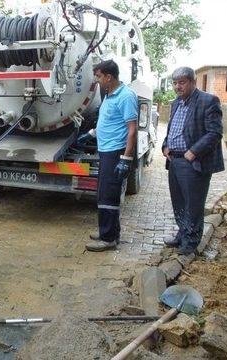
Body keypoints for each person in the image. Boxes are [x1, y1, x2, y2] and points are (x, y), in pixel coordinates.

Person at [162, 67, 224, 255]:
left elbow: (215, 132)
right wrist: (165, 145)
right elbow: (173, 129)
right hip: (174, 160)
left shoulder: (208, 101)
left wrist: (193, 152)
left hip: (193, 162)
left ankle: (192, 241)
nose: (177, 87)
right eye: (175, 83)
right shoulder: (175, 103)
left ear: (192, 82)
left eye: (182, 82)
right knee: (179, 201)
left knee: (193, 203)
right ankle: (183, 233)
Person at [80, 60, 138, 252]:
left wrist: (126, 159)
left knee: (108, 195)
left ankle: (108, 239)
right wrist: (91, 134)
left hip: (116, 151)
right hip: (106, 150)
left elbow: (132, 130)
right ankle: (111, 231)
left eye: (99, 76)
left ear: (109, 77)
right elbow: (108, 122)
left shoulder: (126, 96)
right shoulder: (109, 95)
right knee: (104, 193)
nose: (97, 81)